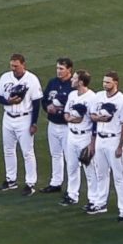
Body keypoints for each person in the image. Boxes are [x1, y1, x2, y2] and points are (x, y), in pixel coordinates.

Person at [0, 53, 43, 194]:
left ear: (23, 64)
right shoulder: (5, 77)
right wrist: (8, 102)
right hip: (8, 117)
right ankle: (10, 180)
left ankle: (30, 183)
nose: (14, 68)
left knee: (27, 152)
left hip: (24, 118)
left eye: (16, 66)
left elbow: (36, 102)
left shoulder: (32, 79)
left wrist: (34, 123)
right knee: (8, 150)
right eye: (12, 66)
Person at [87, 70, 123, 218]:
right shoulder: (98, 96)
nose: (105, 84)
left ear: (115, 83)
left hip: (114, 139)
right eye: (104, 81)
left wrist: (120, 146)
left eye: (108, 82)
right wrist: (99, 118)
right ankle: (100, 203)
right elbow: (91, 115)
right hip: (100, 138)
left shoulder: (122, 100)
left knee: (119, 176)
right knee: (101, 173)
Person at [60, 69, 96, 206]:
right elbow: (66, 114)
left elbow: (93, 122)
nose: (71, 80)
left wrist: (91, 143)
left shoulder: (92, 97)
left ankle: (93, 199)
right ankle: (72, 195)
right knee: (72, 166)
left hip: (85, 136)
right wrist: (72, 120)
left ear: (81, 82)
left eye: (74, 78)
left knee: (89, 169)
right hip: (71, 135)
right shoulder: (72, 95)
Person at [39, 58, 74, 193]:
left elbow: (75, 106)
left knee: (69, 157)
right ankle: (55, 182)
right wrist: (48, 107)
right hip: (53, 124)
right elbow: (45, 99)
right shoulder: (52, 82)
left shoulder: (73, 85)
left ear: (69, 69)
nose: (58, 71)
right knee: (55, 154)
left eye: (61, 69)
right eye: (58, 68)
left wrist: (59, 109)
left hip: (67, 127)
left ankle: (72, 187)